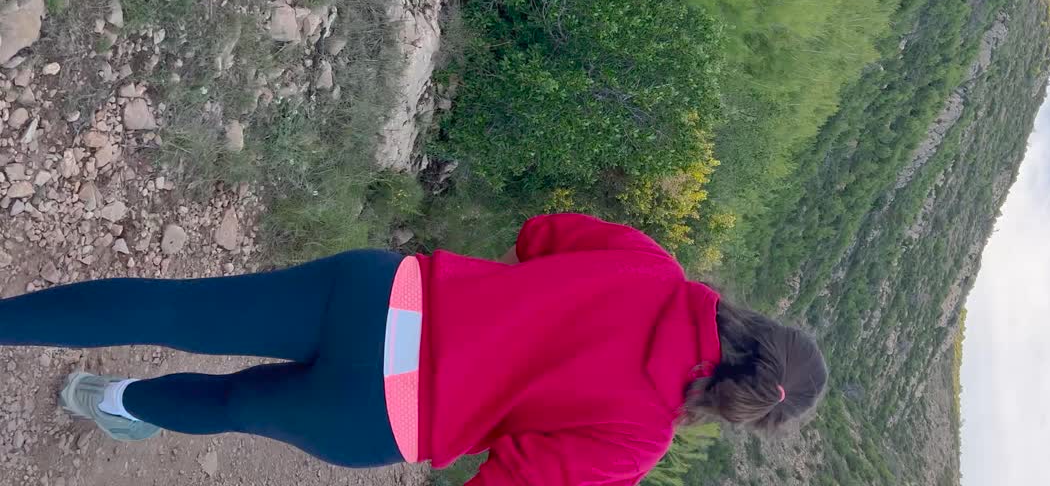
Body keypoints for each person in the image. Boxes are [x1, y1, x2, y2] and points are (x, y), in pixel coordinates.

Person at [0, 213, 827, 483]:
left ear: (755, 327)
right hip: (376, 416)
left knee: (178, 309)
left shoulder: (654, 271)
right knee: (232, 404)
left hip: (382, 299)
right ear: (738, 411)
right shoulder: (635, 443)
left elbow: (538, 234)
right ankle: (114, 400)